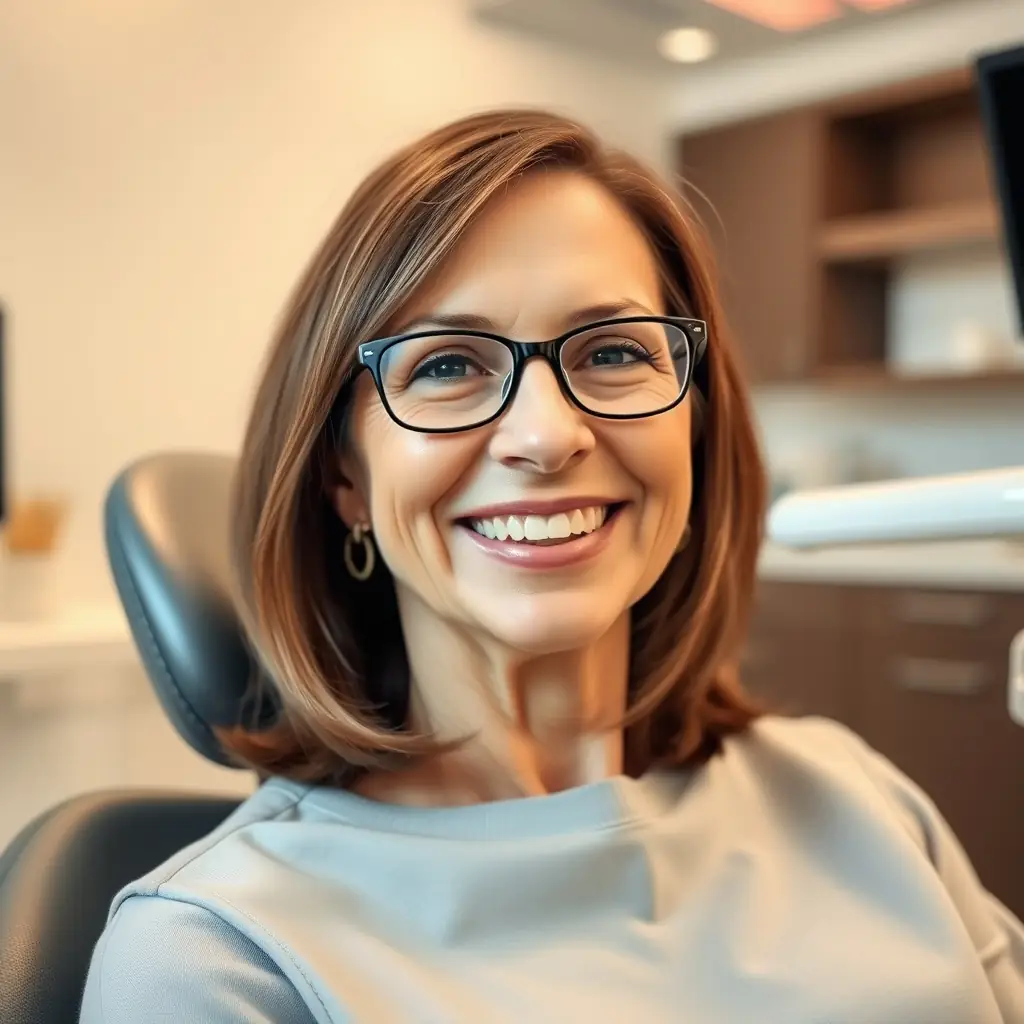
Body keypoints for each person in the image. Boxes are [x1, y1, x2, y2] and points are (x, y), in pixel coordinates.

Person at [80, 109, 1024, 1023]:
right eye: (447, 364)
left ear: (694, 426)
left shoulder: (853, 792)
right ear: (346, 480)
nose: (545, 435)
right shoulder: (219, 960)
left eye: (613, 350)